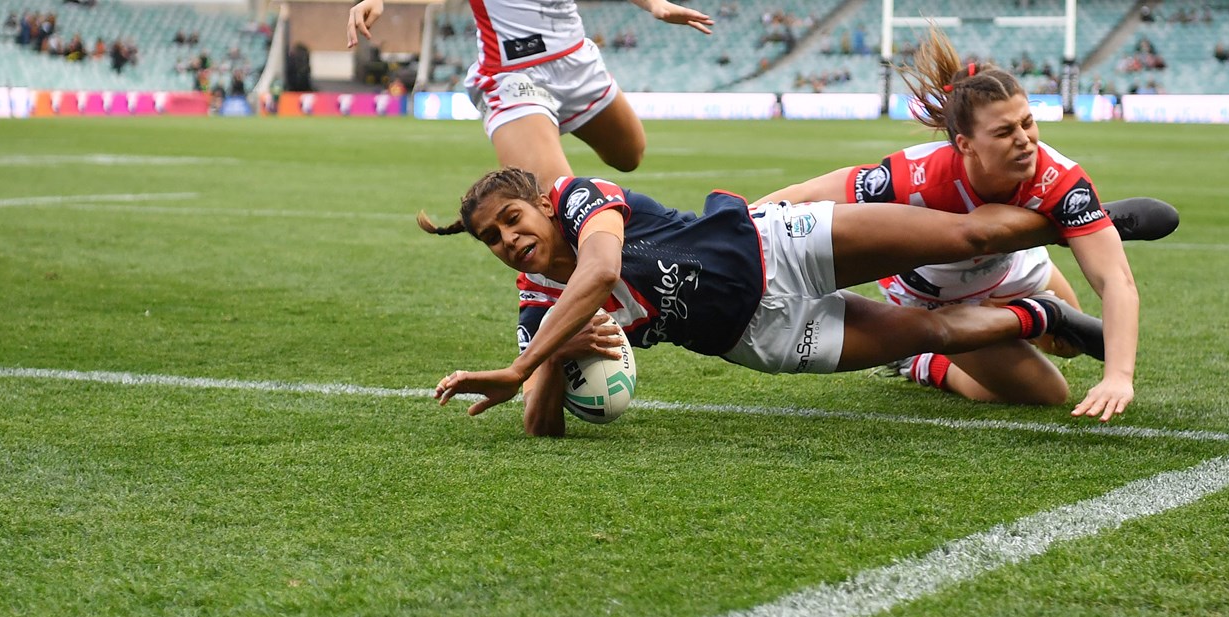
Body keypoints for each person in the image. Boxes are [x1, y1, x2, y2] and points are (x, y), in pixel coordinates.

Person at [427, 167, 1109, 437]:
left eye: (514, 219)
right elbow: (543, 428)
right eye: (492, 238)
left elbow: (602, 266)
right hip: (764, 336)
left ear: (544, 204)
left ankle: (1082, 218)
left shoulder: (580, 196)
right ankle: (1041, 316)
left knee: (966, 236)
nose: (509, 240)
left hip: (775, 244)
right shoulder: (537, 304)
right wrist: (551, 358)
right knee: (929, 333)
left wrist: (523, 362)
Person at [752, 29, 1175, 419]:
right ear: (965, 145)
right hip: (935, 297)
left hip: (1015, 265)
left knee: (1064, 346)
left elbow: (1116, 280)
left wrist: (1119, 376)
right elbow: (812, 192)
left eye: (1028, 122)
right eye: (1005, 131)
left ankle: (1027, 305)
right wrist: (740, 221)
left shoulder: (1061, 179)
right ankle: (919, 361)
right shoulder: (918, 175)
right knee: (1047, 393)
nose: (1026, 139)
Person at [346, 0, 714, 189]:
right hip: (514, 75)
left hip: (576, 61)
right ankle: (562, 315)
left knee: (629, 155)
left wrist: (656, 5)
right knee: (556, 203)